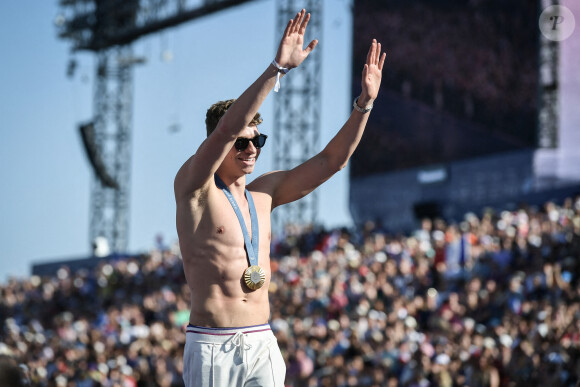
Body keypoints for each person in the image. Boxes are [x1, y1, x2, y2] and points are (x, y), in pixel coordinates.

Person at [174, 8, 386, 386]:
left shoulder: (264, 193)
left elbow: (330, 162)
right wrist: (277, 69)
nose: (252, 148)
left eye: (259, 140)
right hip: (211, 344)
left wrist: (364, 105)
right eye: (243, 142)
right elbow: (225, 129)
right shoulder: (195, 188)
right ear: (216, 144)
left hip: (260, 339)